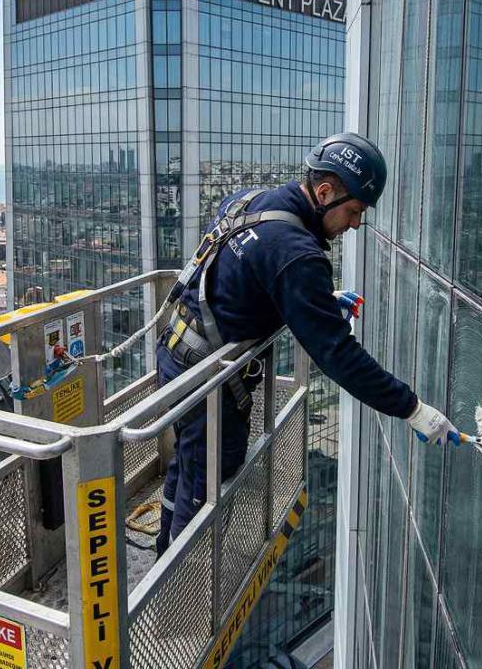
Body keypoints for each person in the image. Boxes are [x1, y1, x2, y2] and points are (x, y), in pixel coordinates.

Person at [155, 132, 459, 556]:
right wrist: (413, 409)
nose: (355, 224)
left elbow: (240, 276)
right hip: (207, 382)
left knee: (187, 463)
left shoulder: (251, 200)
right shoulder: (296, 253)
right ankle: (178, 583)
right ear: (324, 191)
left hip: (176, 352)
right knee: (205, 489)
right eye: (353, 211)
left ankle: (161, 544)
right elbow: (339, 356)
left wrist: (315, 300)